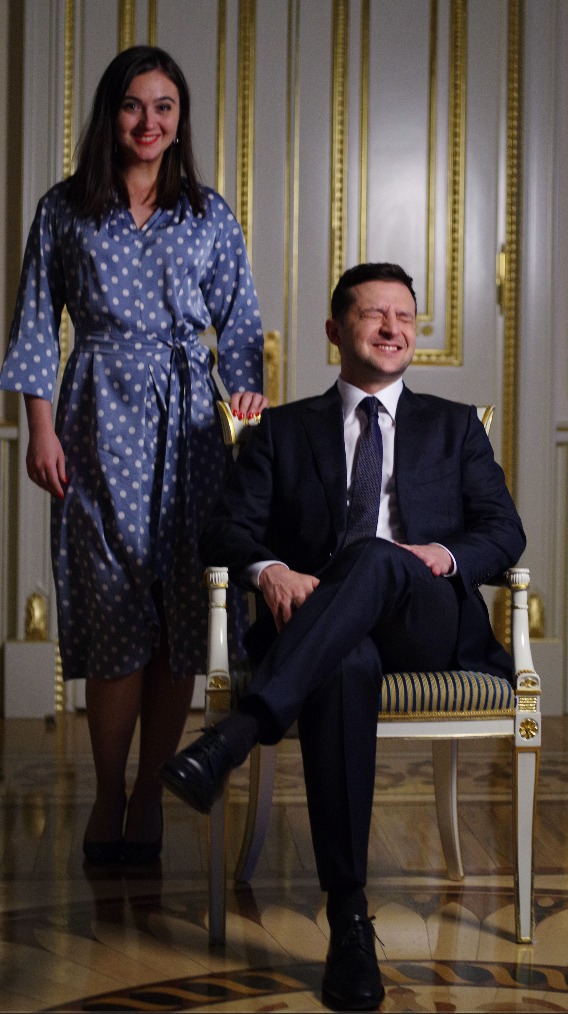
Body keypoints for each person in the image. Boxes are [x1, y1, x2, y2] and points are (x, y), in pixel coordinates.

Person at [157, 262, 526, 1011]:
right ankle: (350, 924)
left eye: (405, 317)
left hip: (426, 621)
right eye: (373, 315)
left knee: (376, 558)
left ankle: (235, 736)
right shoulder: (282, 430)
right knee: (345, 661)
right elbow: (224, 531)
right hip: (321, 634)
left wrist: (442, 555)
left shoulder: (454, 427)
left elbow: (504, 531)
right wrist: (268, 571)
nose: (393, 329)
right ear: (335, 330)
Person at [0, 46, 267, 868]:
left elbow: (242, 325)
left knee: (179, 608)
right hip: (96, 414)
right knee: (115, 606)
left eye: (164, 107)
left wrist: (243, 402)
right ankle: (108, 790)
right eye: (133, 106)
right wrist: (40, 429)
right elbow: (36, 323)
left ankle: (150, 792)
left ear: (180, 121)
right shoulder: (65, 209)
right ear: (110, 115)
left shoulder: (207, 213)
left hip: (190, 430)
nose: (149, 122)